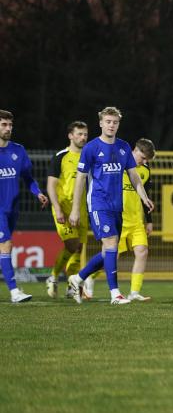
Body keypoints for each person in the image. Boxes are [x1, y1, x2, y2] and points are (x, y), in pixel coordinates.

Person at [67, 107, 154, 305]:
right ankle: (115, 293)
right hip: (98, 204)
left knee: (108, 251)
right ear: (101, 123)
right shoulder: (91, 148)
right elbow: (80, 179)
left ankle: (78, 278)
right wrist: (74, 209)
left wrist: (144, 197)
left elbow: (134, 176)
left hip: (117, 206)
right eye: (108, 121)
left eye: (114, 122)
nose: (111, 125)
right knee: (112, 243)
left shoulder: (123, 147)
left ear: (118, 124)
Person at [0, 110, 49, 302]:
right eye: (4, 124)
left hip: (13, 208)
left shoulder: (18, 151)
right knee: (6, 245)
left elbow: (28, 178)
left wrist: (38, 193)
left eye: (10, 125)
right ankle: (14, 291)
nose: (8, 128)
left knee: (4, 247)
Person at [46, 121, 89, 298]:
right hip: (63, 208)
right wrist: (57, 208)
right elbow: (51, 185)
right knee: (71, 244)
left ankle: (72, 285)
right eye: (79, 134)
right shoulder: (61, 157)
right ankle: (54, 276)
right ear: (70, 136)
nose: (83, 137)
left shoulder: (89, 157)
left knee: (78, 248)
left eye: (85, 134)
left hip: (82, 209)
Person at [117, 138, 156, 301]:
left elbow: (144, 196)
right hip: (117, 219)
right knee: (111, 256)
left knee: (142, 252)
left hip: (136, 220)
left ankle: (134, 292)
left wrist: (149, 220)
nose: (144, 162)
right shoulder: (117, 164)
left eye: (147, 159)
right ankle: (88, 282)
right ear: (135, 150)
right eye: (143, 157)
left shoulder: (145, 170)